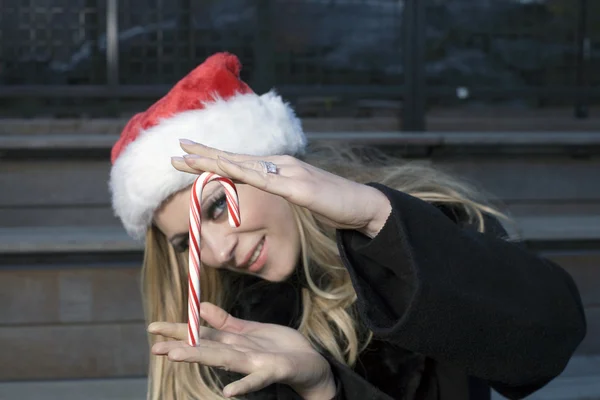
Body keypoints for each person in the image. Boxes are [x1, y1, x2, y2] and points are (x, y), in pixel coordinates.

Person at [109, 52, 586, 400]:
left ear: (272, 165)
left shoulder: (426, 233)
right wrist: (321, 386)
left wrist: (378, 219)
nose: (216, 251)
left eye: (216, 208)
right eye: (186, 242)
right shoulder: (231, 326)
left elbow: (546, 343)